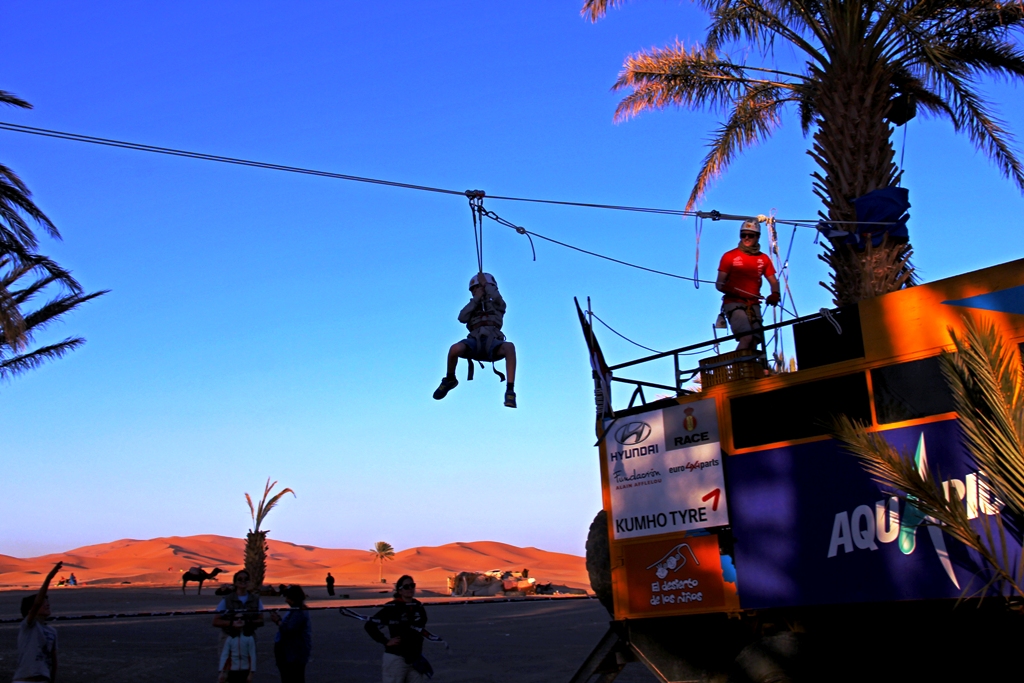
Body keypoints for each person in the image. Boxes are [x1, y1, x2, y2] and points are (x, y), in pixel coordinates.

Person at [433, 272, 517, 408]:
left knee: (509, 347)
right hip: (475, 342)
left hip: (493, 343)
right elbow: (462, 317)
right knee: (454, 348)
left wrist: (486, 285)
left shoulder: (497, 305)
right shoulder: (472, 306)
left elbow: (497, 298)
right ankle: (450, 379)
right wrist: (476, 299)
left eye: (479, 287)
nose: (477, 290)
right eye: (474, 289)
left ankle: (510, 390)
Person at [716, 219, 780, 351]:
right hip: (734, 302)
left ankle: (749, 368)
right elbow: (719, 284)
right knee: (747, 337)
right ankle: (738, 369)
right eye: (743, 235)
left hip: (753, 303)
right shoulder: (730, 256)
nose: (746, 238)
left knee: (755, 340)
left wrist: (775, 294)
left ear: (757, 237)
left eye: (750, 235)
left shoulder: (763, 259)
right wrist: (734, 290)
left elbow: (773, 281)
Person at [364, 575, 431, 683]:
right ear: (399, 590)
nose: (410, 589)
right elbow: (370, 625)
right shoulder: (392, 607)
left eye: (412, 585)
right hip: (396, 657)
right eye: (406, 586)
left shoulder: (418, 606)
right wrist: (385, 641)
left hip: (415, 658)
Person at [13, 561, 62, 683]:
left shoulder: (52, 631)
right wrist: (48, 578)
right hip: (24, 680)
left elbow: (53, 659)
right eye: (44, 604)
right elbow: (37, 603)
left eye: (48, 603)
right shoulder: (28, 626)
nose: (47, 605)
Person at [270, 585, 312, 683]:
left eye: (288, 598)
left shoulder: (299, 612)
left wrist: (277, 621)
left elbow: (289, 629)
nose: (286, 601)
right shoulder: (296, 610)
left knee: (292, 678)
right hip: (290, 652)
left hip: (293, 654)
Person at [213, 570, 265, 639]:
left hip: (249, 636)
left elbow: (261, 620)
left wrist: (247, 622)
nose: (243, 581)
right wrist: (232, 623)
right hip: (229, 637)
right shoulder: (227, 599)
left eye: (246, 579)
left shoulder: (256, 599)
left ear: (249, 581)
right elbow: (216, 621)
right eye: (240, 579)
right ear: (235, 583)